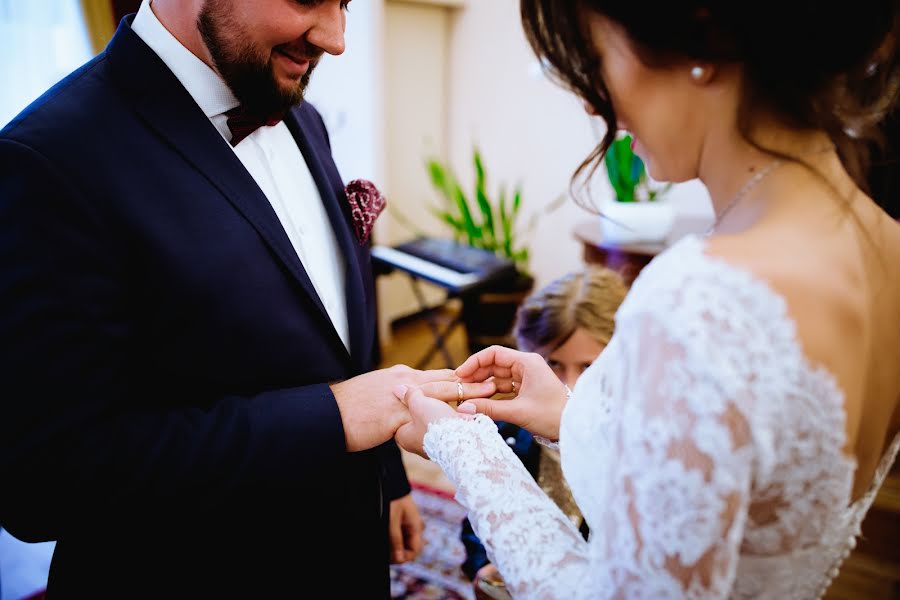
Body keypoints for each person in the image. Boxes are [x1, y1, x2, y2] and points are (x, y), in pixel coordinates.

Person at [394, 1, 900, 598]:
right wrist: (567, 412)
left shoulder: (699, 297)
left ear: (702, 43)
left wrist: (462, 446)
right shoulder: (884, 244)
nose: (590, 100)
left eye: (596, 56)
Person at [0, 0, 459, 596]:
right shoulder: (48, 160)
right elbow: (46, 482)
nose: (336, 37)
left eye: (345, 2)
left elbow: (334, 338)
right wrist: (334, 418)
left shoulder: (303, 117)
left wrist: (387, 476)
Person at [460, 267, 628, 598]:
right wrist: (483, 565)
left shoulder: (632, 447)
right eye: (552, 364)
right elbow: (480, 515)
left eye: (589, 368)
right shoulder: (508, 434)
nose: (569, 385)